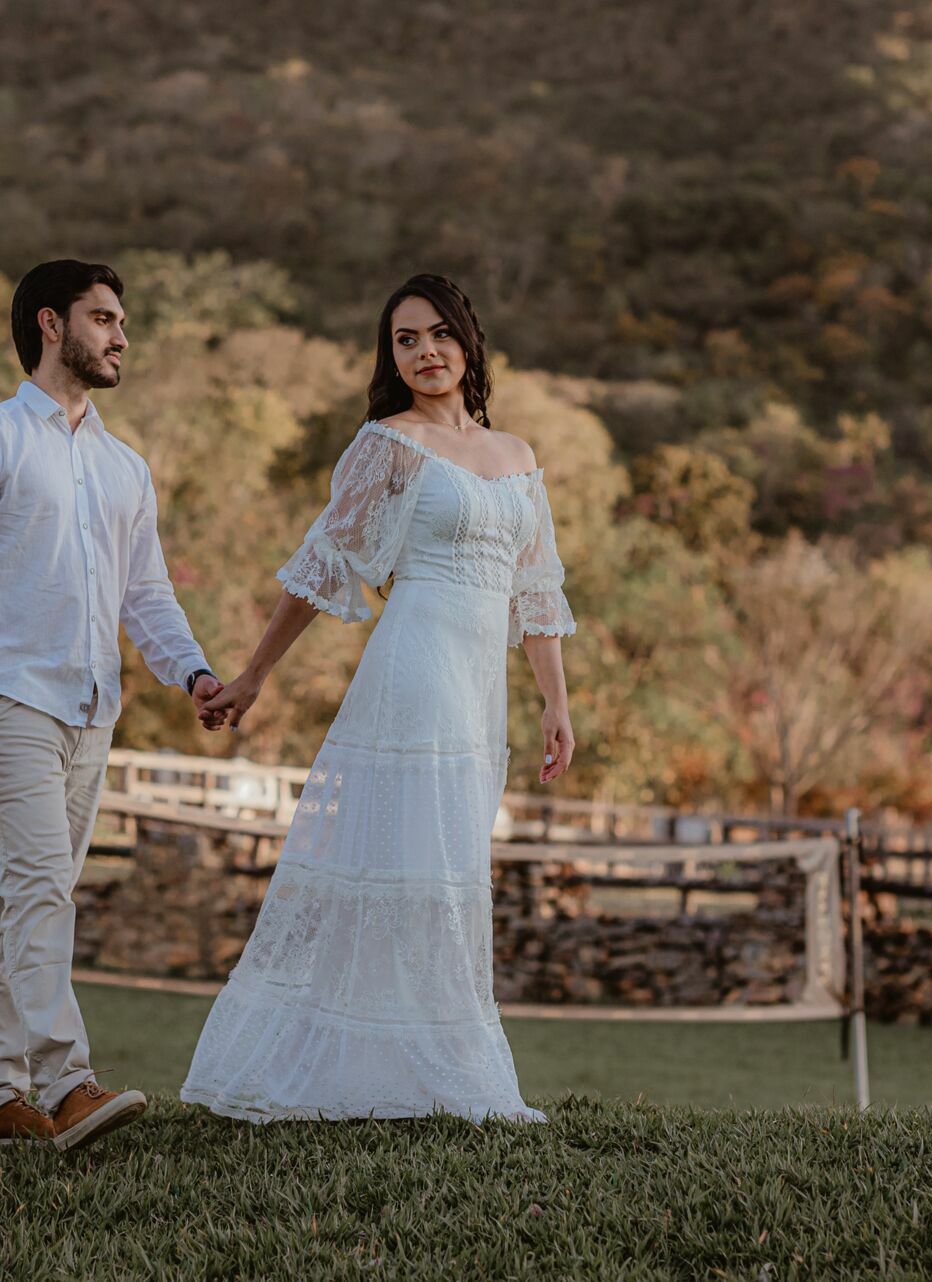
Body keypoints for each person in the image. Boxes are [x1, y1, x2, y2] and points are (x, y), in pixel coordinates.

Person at [181, 274, 577, 1123]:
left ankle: (411, 1067)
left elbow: (535, 592)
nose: (425, 351)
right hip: (418, 667)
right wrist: (252, 675)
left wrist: (555, 703)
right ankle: (418, 1071)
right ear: (390, 357)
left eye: (438, 334)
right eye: (405, 340)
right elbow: (321, 564)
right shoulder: (389, 445)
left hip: (483, 692)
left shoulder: (517, 455)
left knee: (451, 869)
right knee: (414, 867)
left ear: (467, 339)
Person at [0, 259, 223, 1151]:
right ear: (52, 324)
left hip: (92, 708)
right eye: (105, 318)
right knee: (44, 887)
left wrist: (193, 672)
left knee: (32, 898)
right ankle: (67, 1079)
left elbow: (147, 596)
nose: (121, 336)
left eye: (122, 322)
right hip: (5, 696)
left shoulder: (127, 469)